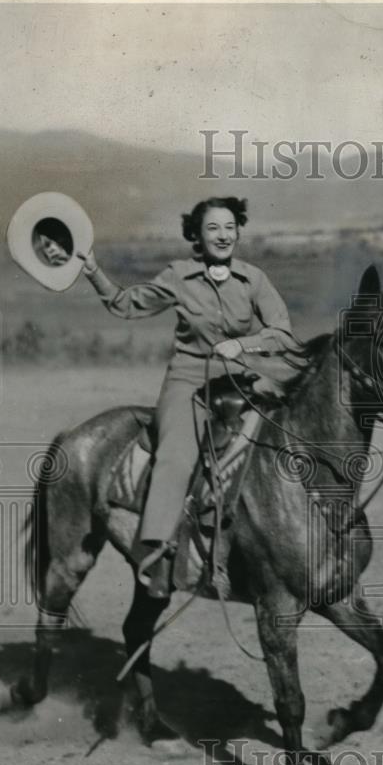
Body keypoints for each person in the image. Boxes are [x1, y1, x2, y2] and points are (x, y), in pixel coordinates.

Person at [79, 196, 301, 598]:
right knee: (177, 457)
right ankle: (157, 557)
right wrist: (94, 271)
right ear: (197, 235)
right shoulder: (178, 276)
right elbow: (126, 304)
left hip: (244, 380)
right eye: (213, 228)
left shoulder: (254, 279)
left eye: (230, 227)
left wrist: (246, 345)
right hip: (189, 382)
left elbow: (283, 333)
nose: (223, 235)